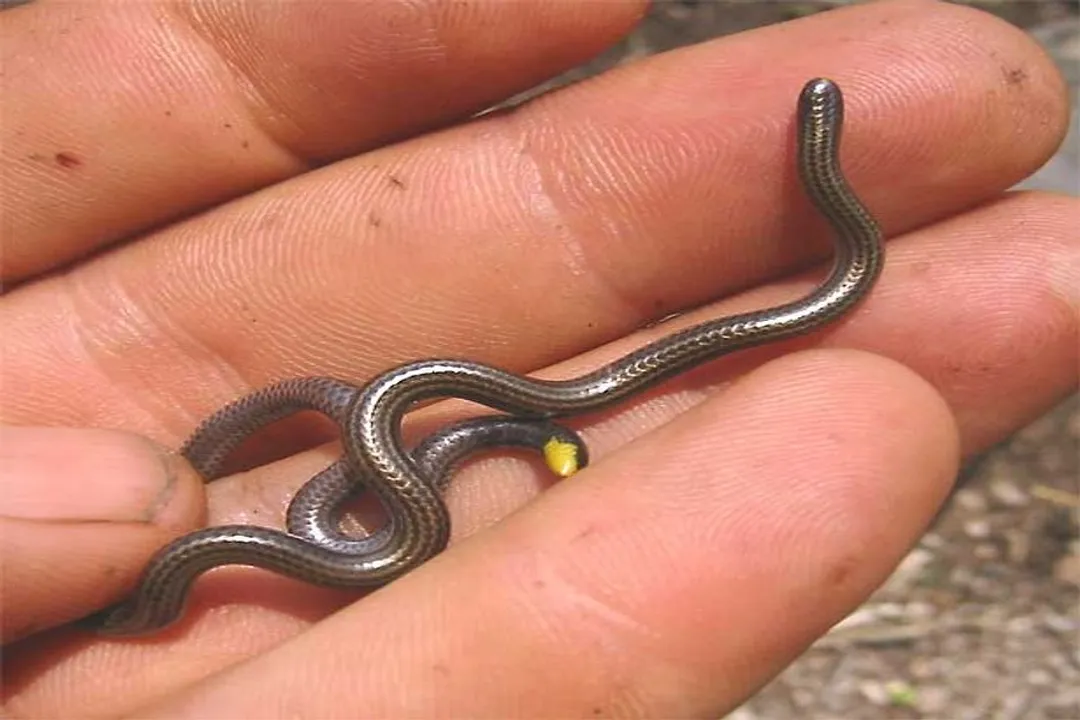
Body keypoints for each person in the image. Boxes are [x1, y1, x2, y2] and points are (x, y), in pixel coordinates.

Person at [1, 0, 1076, 716]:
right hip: (366, 482)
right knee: (361, 425)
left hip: (416, 459)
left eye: (817, 131)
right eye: (818, 128)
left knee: (378, 423)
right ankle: (150, 594)